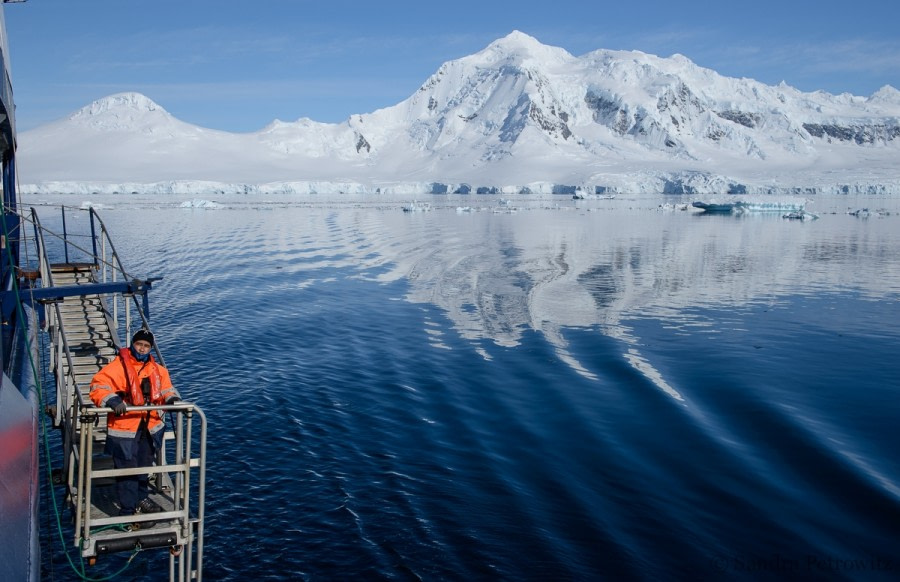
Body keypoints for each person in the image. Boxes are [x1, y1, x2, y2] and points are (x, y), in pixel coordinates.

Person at [89, 329, 180, 529]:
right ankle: (128, 512)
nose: (142, 349)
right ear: (132, 344)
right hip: (125, 428)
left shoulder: (158, 370)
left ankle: (141, 499)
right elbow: (98, 386)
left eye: (146, 346)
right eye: (139, 344)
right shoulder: (117, 367)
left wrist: (172, 399)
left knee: (144, 467)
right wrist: (112, 400)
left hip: (150, 427)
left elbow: (167, 389)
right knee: (127, 470)